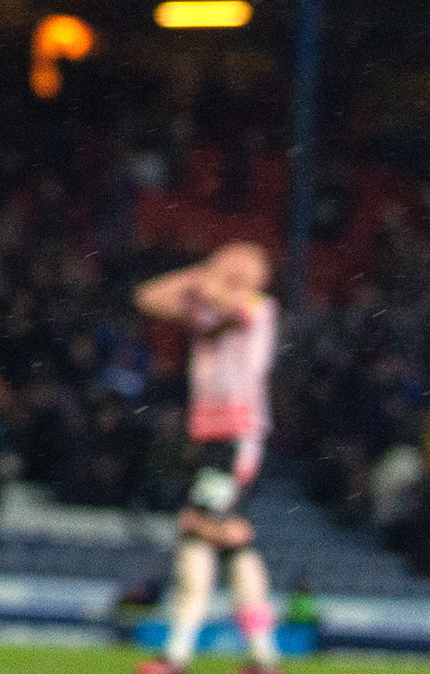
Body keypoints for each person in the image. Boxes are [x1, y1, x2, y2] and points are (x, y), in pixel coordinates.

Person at [134, 241, 281, 674]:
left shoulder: (258, 306)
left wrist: (209, 276)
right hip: (210, 436)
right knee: (233, 540)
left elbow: (225, 299)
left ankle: (176, 655)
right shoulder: (209, 305)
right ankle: (262, 658)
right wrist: (203, 270)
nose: (231, 261)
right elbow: (147, 298)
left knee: (196, 529)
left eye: (242, 258)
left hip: (236, 438)